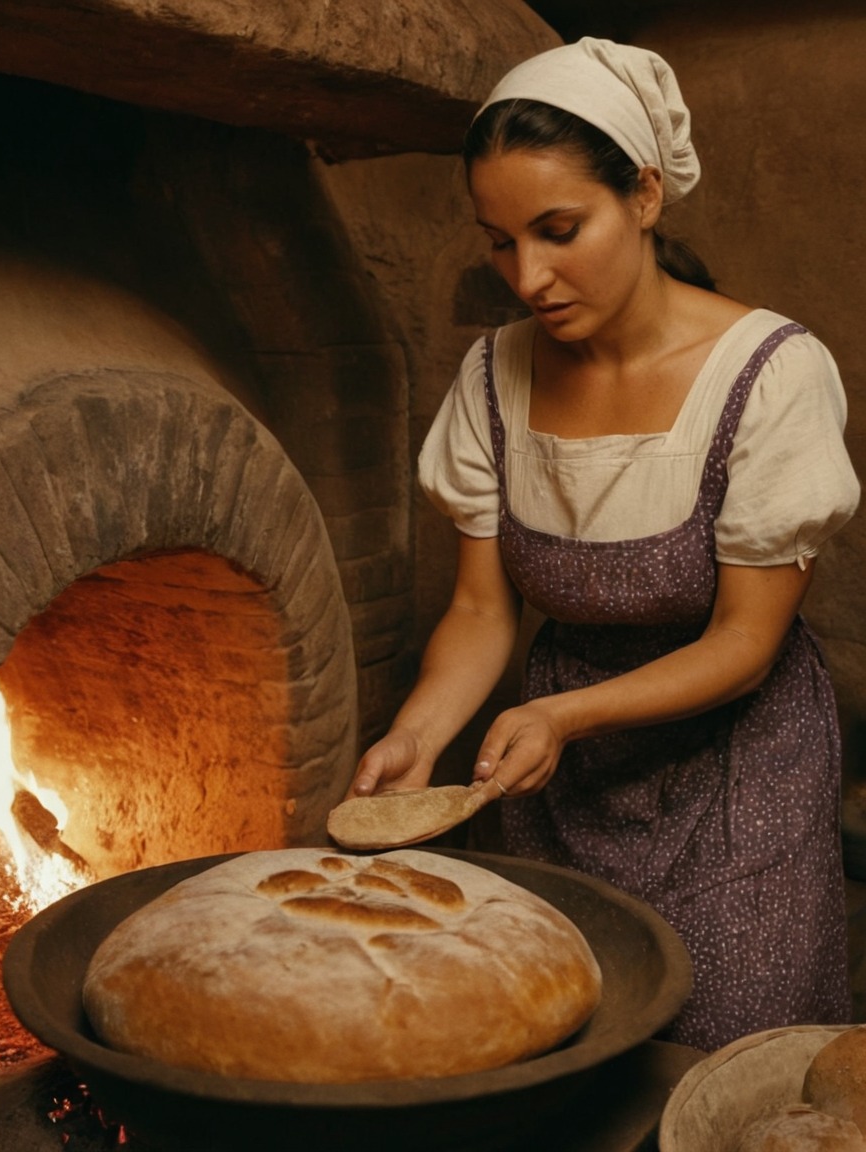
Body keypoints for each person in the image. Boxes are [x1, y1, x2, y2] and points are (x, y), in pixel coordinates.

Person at [349, 37, 861, 1051]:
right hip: (562, 784)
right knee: (573, 1044)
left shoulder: (769, 374)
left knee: (729, 1056)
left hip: (733, 778)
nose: (527, 277)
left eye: (557, 229)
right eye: (498, 242)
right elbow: (481, 610)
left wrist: (560, 714)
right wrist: (419, 732)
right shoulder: (492, 378)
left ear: (642, 193)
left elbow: (742, 644)